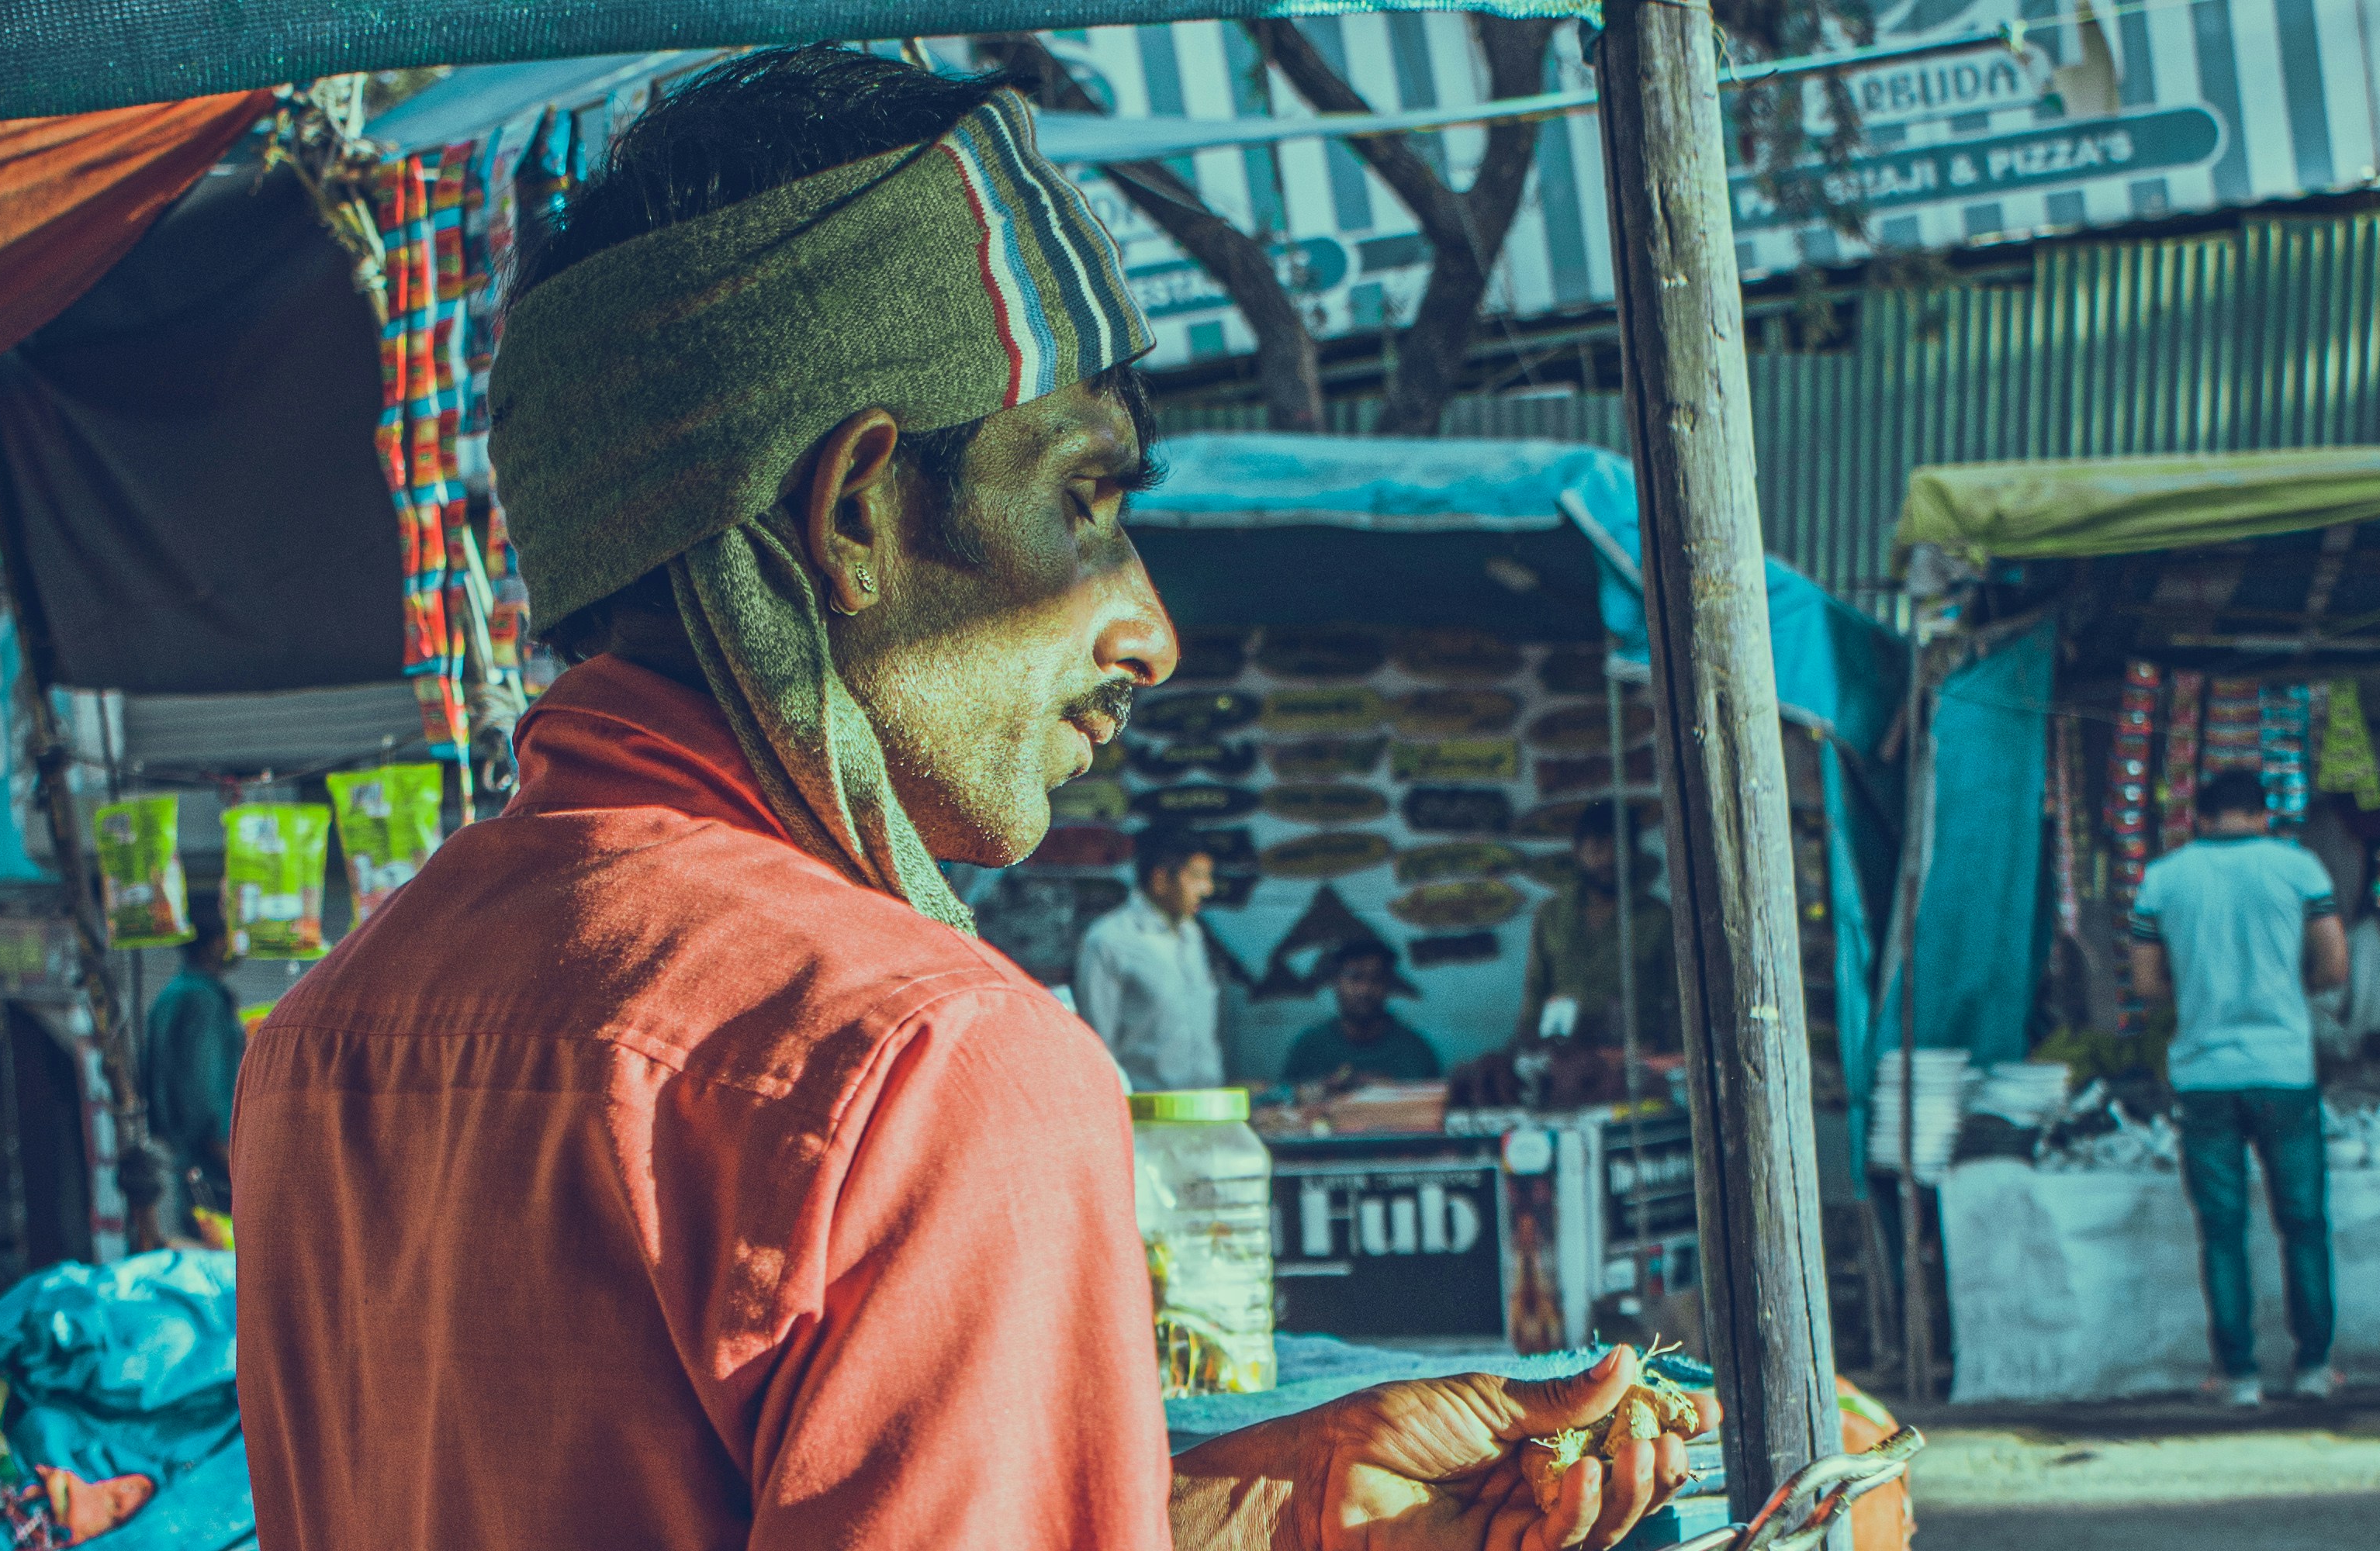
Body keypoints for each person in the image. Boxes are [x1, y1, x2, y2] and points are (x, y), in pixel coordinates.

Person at [230, 49, 1703, 1551]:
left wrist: (1276, 1502)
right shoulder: (920, 1056)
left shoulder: (336, 1023)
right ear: (855, 510)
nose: (1147, 633)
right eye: (1080, 498)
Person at [2128, 769, 2352, 1408]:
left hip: (2204, 1073)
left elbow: (2146, 985)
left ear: (2199, 816)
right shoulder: (2300, 869)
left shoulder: (2164, 879)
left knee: (2222, 1229)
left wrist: (2201, 1000)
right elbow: (2335, 967)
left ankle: (2239, 1375)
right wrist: (2284, 995)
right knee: (2304, 1223)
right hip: (2285, 1068)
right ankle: (2313, 1367)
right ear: (2263, 814)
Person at [1077, 827, 1224, 1090]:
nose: (1207, 889)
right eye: (1197, 877)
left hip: (1206, 1109)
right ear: (1160, 879)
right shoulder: (1108, 941)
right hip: (1144, 1114)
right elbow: (1096, 1047)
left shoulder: (1192, 934)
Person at [1517, 806, 1676, 1049]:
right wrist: (1526, 1046)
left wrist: (1670, 1051)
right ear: (1578, 852)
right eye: (1597, 849)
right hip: (1562, 1053)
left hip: (1635, 1052)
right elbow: (1535, 990)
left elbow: (1678, 997)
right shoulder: (1550, 914)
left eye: (1618, 849)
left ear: (1634, 853)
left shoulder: (1658, 917)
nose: (1607, 859)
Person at [141, 892, 244, 1211]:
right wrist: (231, 1164)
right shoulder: (203, 1001)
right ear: (216, 944)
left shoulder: (168, 996)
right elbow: (205, 1092)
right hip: (216, 1171)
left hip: (187, 1167)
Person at [1281, 938, 1442, 1086]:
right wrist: (1326, 1089)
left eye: (1376, 979)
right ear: (1336, 983)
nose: (1364, 990)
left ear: (1388, 985)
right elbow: (1282, 1104)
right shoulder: (1310, 1047)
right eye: (1355, 978)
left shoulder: (1414, 1051)